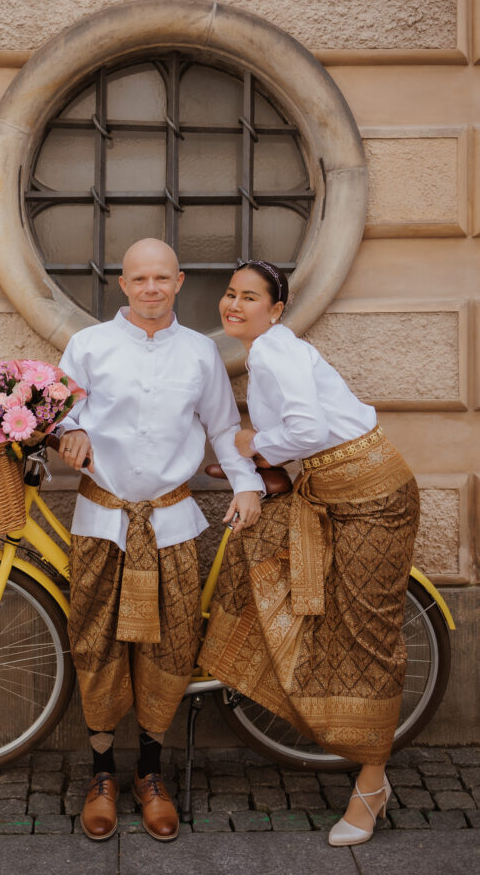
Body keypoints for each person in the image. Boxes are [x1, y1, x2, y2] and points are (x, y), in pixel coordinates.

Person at [198, 260, 419, 847]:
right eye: (229, 294)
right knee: (278, 567)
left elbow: (309, 430)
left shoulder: (274, 352)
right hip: (333, 493)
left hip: (373, 495)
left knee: (366, 633)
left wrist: (252, 443)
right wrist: (257, 462)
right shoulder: (269, 351)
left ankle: (372, 785)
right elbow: (304, 436)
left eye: (250, 297)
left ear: (275, 310)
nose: (234, 305)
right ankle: (300, 701)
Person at [55, 238, 265, 842]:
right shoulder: (89, 346)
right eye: (139, 278)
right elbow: (58, 413)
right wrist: (67, 435)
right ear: (123, 283)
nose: (151, 288)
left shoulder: (200, 353)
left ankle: (150, 773)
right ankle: (100, 774)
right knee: (97, 645)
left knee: (169, 647)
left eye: (162, 279)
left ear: (178, 283)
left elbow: (225, 429)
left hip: (172, 527)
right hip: (102, 524)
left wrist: (245, 487)